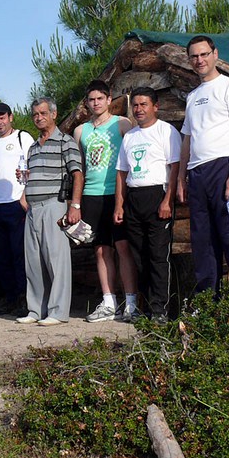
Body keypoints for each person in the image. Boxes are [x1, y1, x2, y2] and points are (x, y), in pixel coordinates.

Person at [177, 35, 229, 296]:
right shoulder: (192, 96)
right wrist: (181, 179)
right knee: (203, 240)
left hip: (224, 168)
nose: (200, 60)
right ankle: (208, 302)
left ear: (215, 54)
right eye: (194, 56)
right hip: (197, 174)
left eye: (204, 54)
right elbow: (187, 139)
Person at [73, 80, 139, 323]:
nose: (95, 103)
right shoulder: (81, 131)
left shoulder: (122, 123)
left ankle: (131, 302)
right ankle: (109, 301)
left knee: (123, 247)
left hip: (117, 193)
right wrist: (76, 202)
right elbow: (79, 167)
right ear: (87, 103)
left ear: (109, 99)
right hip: (92, 194)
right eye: (91, 99)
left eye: (100, 98)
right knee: (101, 250)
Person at [114, 88, 181, 323]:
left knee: (157, 256)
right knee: (139, 256)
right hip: (134, 197)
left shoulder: (167, 131)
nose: (139, 109)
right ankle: (145, 308)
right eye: (135, 105)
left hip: (157, 195)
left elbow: (174, 168)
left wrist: (167, 200)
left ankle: (160, 310)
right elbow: (122, 173)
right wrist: (119, 205)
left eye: (144, 105)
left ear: (155, 106)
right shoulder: (130, 136)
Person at [18, 97, 83, 327]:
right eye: (35, 114)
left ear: (54, 114)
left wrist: (74, 206)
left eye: (43, 113)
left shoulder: (66, 141)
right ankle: (36, 310)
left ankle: (57, 311)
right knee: (34, 263)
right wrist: (25, 195)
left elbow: (77, 174)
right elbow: (31, 177)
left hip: (54, 205)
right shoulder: (33, 148)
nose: (39, 117)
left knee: (57, 261)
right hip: (33, 209)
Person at [0, 102, 32, 316]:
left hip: (16, 203)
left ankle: (24, 299)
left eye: (2, 117)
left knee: (19, 254)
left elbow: (32, 167)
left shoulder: (23, 137)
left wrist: (24, 197)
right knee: (0, 256)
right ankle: (10, 299)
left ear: (11, 117)